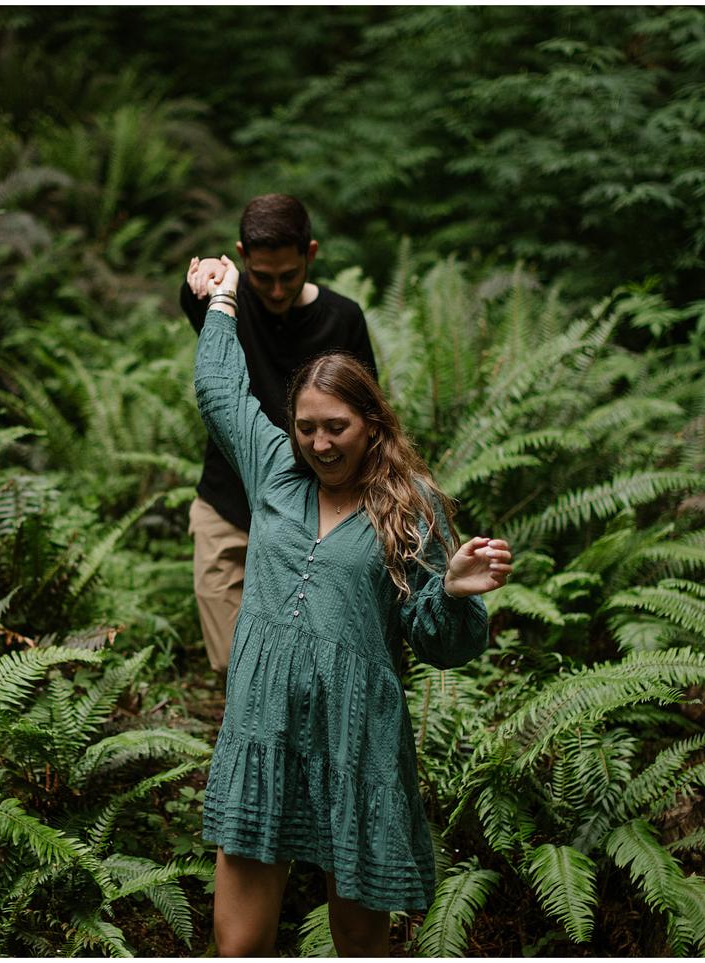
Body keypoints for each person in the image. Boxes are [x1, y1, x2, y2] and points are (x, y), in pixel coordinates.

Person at [190, 254, 513, 956]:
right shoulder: (274, 466)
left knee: (360, 944)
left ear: (370, 421)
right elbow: (220, 391)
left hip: (356, 740)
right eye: (306, 426)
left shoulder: (411, 504)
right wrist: (222, 300)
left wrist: (452, 591)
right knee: (237, 944)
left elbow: (443, 643)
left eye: (334, 426)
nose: (319, 442)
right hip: (263, 726)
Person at [181, 194, 376, 679]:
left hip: (313, 507)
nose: (274, 289)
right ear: (242, 257)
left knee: (303, 661)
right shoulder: (225, 303)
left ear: (310, 254)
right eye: (262, 276)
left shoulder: (341, 318)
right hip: (228, 502)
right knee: (233, 660)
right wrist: (209, 275)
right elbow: (196, 295)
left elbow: (365, 416)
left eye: (288, 276)